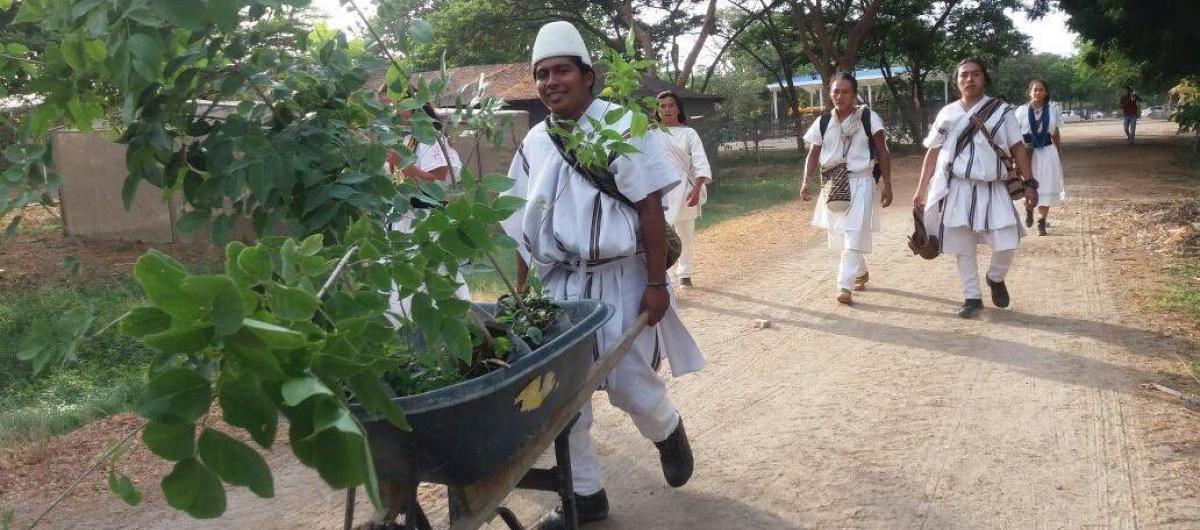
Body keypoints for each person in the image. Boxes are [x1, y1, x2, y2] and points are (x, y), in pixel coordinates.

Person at [501, 21, 703, 529]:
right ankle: (585, 497)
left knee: (629, 382)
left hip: (621, 280)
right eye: (542, 74)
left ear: (587, 76)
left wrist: (656, 285)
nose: (550, 81)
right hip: (558, 286)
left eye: (561, 70)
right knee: (561, 398)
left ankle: (667, 428)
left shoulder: (622, 126)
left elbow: (651, 210)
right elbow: (524, 223)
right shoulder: (535, 144)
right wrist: (524, 293)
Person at [913, 58, 1038, 319]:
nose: (969, 79)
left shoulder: (1002, 111)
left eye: (975, 74)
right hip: (958, 187)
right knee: (962, 245)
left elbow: (1017, 147)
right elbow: (933, 152)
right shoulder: (947, 113)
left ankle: (995, 277)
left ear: (985, 78)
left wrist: (1029, 182)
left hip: (993, 187)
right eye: (964, 75)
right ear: (957, 82)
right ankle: (972, 296)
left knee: (1007, 241)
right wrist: (922, 188)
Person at [800, 72, 893, 305]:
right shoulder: (823, 122)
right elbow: (814, 153)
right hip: (833, 182)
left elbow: (883, 151)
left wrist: (888, 184)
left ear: (854, 94)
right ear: (830, 94)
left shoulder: (868, 118)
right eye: (836, 91)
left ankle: (844, 285)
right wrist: (806, 180)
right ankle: (860, 272)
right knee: (840, 235)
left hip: (861, 181)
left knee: (853, 232)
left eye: (845, 91)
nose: (840, 96)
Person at [379, 85, 470, 317]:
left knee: (434, 279)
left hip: (425, 221)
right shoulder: (397, 139)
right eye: (385, 107)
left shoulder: (430, 138)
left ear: (413, 105)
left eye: (395, 105)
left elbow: (438, 184)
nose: (391, 112)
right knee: (398, 284)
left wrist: (404, 165)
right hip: (397, 222)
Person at [655, 90, 712, 288]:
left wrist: (697, 189)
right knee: (662, 237)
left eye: (670, 105)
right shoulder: (652, 133)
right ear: (658, 110)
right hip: (660, 192)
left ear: (678, 108)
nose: (667, 110)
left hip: (686, 190)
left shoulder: (689, 133)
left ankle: (685, 273)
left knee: (685, 234)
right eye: (662, 106)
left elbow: (700, 163)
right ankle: (666, 277)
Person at [1016, 79, 1065, 236]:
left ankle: (1041, 221)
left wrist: (1058, 151)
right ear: (1029, 92)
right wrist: (1016, 158)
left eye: (1041, 90)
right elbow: (1015, 136)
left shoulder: (1052, 110)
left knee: (1046, 186)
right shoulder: (1021, 111)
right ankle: (1029, 208)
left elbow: (1055, 133)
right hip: (1028, 153)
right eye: (1035, 90)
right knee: (1029, 185)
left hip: (1047, 152)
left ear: (1045, 92)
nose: (1038, 92)